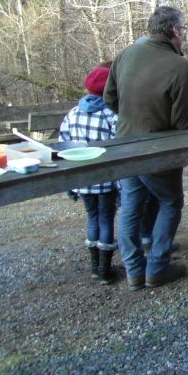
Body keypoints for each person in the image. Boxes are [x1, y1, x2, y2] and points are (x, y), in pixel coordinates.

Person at [103, 6, 188, 291]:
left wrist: (132, 118)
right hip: (160, 151)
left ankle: (134, 270)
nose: (183, 36)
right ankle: (157, 267)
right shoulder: (181, 68)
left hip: (125, 144)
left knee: (131, 206)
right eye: (183, 31)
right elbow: (185, 123)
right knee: (170, 202)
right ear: (174, 32)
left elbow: (109, 99)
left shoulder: (125, 55)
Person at [59, 65, 119, 285]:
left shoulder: (72, 114)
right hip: (105, 177)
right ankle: (105, 270)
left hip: (82, 179)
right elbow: (119, 145)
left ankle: (95, 267)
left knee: (92, 218)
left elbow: (63, 144)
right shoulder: (109, 114)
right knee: (106, 219)